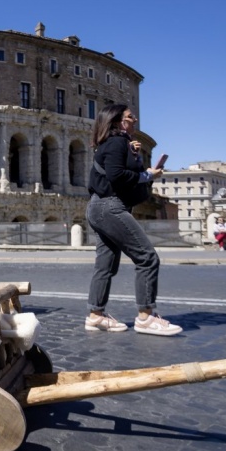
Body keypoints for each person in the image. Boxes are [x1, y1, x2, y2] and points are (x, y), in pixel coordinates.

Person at [85, 104, 181, 336]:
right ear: (118, 121)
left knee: (105, 265)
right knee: (147, 257)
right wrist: (148, 174)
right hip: (110, 206)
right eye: (130, 117)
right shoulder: (117, 142)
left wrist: (134, 156)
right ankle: (146, 317)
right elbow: (117, 176)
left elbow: (116, 171)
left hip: (98, 207)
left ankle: (95, 316)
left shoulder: (111, 144)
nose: (135, 119)